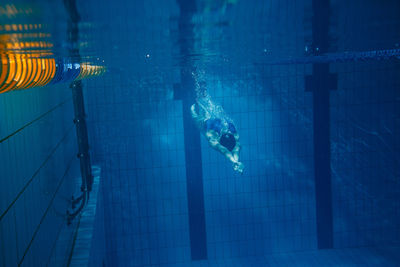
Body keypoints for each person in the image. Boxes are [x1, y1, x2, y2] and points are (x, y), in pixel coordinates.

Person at [191, 93, 244, 173]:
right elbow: (229, 152)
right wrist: (235, 162)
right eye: (228, 132)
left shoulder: (215, 140)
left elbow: (225, 151)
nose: (226, 131)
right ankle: (198, 104)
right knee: (203, 116)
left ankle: (197, 104)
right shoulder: (233, 139)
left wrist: (235, 162)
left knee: (201, 116)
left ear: (220, 137)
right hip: (212, 126)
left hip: (210, 126)